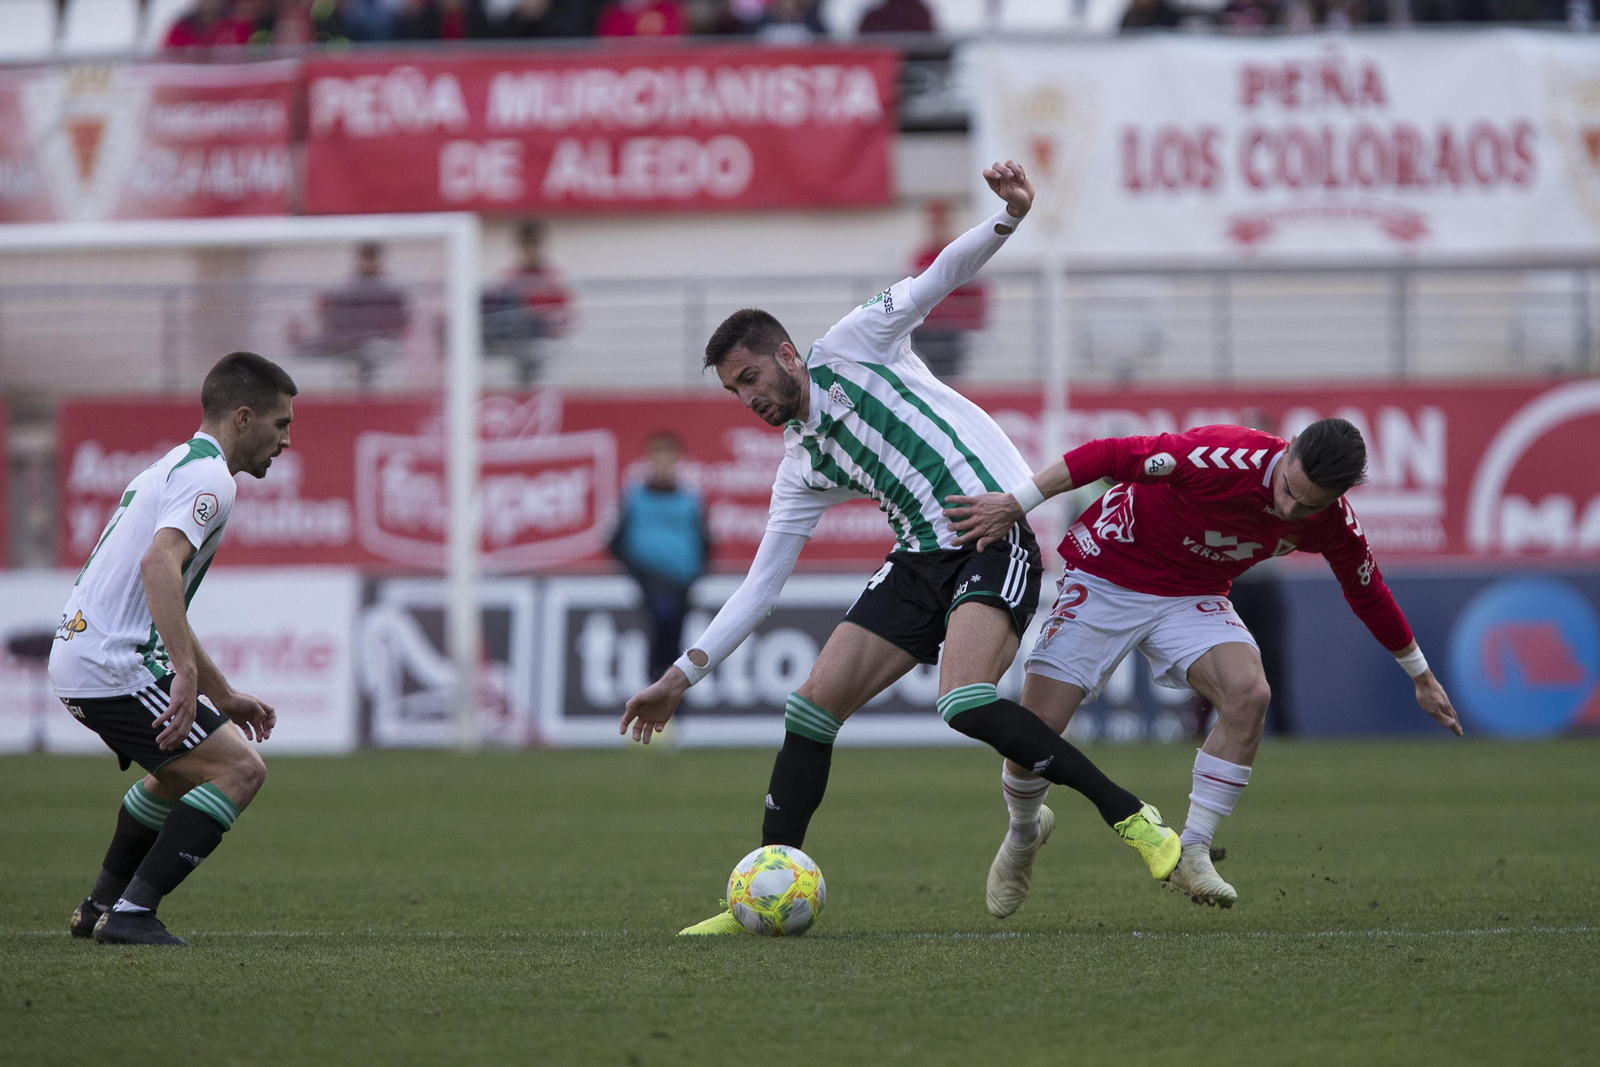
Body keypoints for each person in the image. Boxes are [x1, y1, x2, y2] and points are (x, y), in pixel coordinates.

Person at [620, 162, 1181, 936]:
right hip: (919, 559)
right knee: (809, 706)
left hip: (992, 531)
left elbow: (936, 279)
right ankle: (757, 886)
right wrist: (678, 677)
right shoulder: (801, 465)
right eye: (733, 392)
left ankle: (1134, 818)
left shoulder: (854, 344)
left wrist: (1009, 218)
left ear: (786, 353)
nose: (748, 399)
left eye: (750, 377)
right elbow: (758, 588)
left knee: (962, 700)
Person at [944, 417, 1463, 912]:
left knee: (1250, 694)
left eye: (1309, 505)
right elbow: (1108, 454)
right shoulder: (1222, 457)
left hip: (1192, 595)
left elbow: (1367, 591)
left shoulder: (1333, 523)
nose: (1289, 509)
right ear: (1289, 449)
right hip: (1108, 574)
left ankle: (1193, 849)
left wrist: (1420, 675)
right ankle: (1023, 833)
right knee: (1035, 729)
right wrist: (1016, 503)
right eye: (1289, 489)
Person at [49, 352, 295, 946]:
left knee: (178, 775)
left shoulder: (171, 466)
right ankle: (131, 914)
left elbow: (166, 605)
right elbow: (157, 564)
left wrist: (222, 694)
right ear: (243, 417)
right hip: (113, 663)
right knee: (240, 770)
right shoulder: (211, 479)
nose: (286, 440)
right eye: (281, 423)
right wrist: (183, 674)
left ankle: (98, 907)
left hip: (85, 654)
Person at [610, 433, 712, 684]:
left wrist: (695, 576)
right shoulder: (634, 498)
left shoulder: (690, 500)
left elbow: (705, 542)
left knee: (676, 643)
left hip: (681, 585)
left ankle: (671, 696)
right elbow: (615, 542)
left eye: (669, 459)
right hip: (648, 584)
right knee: (656, 637)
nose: (663, 465)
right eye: (658, 458)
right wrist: (636, 575)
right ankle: (655, 688)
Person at [292, 242, 410, 390]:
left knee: (372, 351)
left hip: (377, 344)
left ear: (379, 259)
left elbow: (399, 326)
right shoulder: (344, 291)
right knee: (308, 352)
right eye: (365, 256)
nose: (368, 261)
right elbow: (333, 323)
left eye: (372, 256)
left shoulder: (391, 292)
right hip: (347, 344)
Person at [908, 200, 988, 381]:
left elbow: (977, 294)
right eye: (933, 223)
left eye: (941, 222)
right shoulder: (921, 257)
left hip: (952, 331)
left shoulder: (960, 255)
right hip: (924, 330)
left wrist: (962, 320)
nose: (937, 228)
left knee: (947, 378)